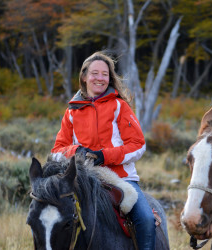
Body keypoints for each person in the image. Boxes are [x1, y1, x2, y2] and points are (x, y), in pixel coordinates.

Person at [51, 51, 156, 250]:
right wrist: (76, 151)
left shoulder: (119, 106)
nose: (100, 78)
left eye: (105, 74)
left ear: (110, 78)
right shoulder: (72, 111)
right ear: (84, 76)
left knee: (146, 219)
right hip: (82, 180)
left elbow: (138, 144)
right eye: (95, 73)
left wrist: (104, 156)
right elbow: (57, 150)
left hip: (121, 179)